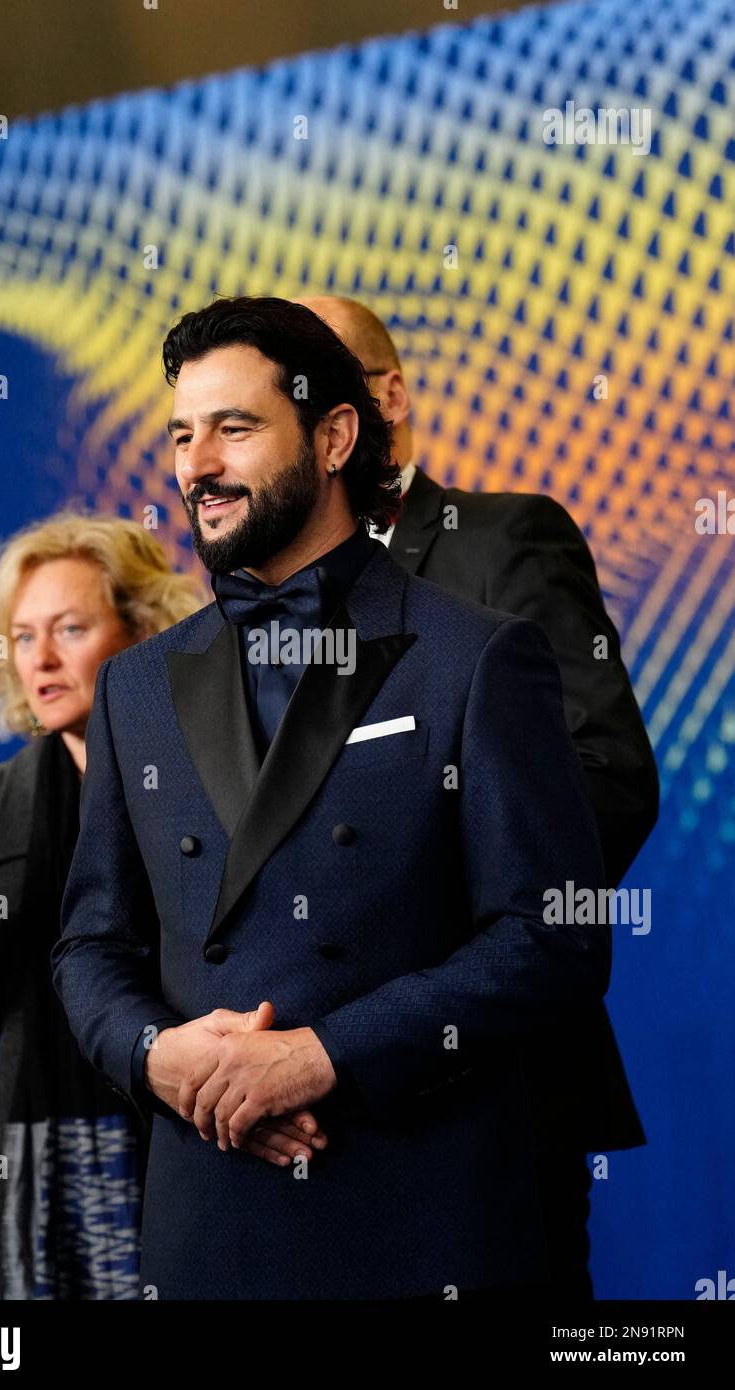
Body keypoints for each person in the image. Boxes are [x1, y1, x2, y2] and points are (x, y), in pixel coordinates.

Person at [53, 297, 613, 1300]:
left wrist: (320, 1055)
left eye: (233, 427)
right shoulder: (134, 686)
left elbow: (550, 938)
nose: (196, 465)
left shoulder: (475, 654)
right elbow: (90, 947)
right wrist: (159, 1057)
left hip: (421, 1216)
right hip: (210, 1219)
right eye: (182, 434)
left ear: (334, 435)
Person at [291, 296, 660, 1293]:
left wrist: (417, 954)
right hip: (312, 1110)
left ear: (387, 397)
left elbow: (605, 772)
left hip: (488, 1087)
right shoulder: (261, 603)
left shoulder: (501, 540)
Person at [0, 513, 208, 1300]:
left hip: (190, 1155)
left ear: (143, 630)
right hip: (34, 1190)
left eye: (69, 628)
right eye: (23, 638)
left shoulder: (213, 783)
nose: (43, 660)